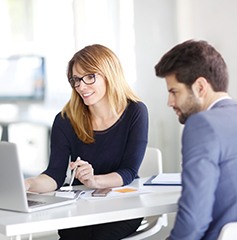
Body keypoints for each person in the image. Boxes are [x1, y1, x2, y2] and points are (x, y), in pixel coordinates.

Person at [25, 44, 148, 240]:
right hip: (80, 209)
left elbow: (129, 171)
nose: (81, 86)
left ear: (109, 74)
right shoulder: (65, 120)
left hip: (121, 206)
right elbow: (55, 175)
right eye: (76, 80)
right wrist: (28, 183)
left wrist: (94, 180)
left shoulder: (135, 111)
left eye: (89, 77)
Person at [154, 39, 237, 240]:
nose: (170, 102)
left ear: (200, 87)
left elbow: (194, 222)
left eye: (174, 91)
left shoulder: (202, 125)